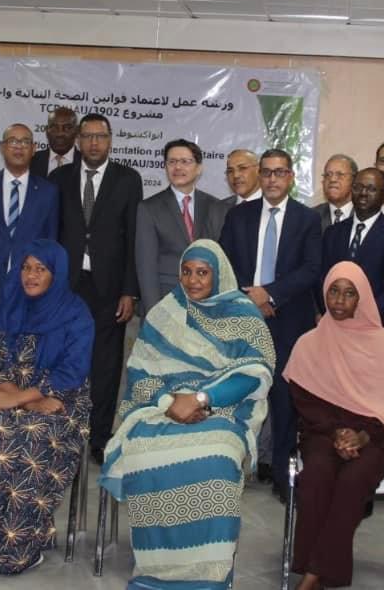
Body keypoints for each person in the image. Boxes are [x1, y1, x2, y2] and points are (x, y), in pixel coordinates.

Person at [100, 240, 273, 590]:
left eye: (202, 273)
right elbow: (140, 372)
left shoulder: (244, 314)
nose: (193, 281)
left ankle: (208, 575)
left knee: (217, 457)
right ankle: (157, 571)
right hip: (164, 407)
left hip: (222, 410)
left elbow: (255, 373)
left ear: (218, 274)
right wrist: (168, 402)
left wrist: (201, 399)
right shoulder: (165, 311)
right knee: (144, 452)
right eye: (187, 272)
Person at [0, 239, 92, 576]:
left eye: (41, 268)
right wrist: (24, 399)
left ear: (56, 273)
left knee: (30, 443)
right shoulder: (8, 305)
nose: (31, 275)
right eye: (26, 267)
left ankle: (21, 547)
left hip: (62, 403)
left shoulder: (76, 313)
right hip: (10, 396)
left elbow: (72, 372)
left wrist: (25, 399)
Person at [285, 262, 384, 590]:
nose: (339, 300)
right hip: (324, 432)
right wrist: (337, 433)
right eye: (333, 291)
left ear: (361, 298)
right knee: (316, 476)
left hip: (377, 435)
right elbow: (304, 400)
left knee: (352, 481)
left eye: (349, 294)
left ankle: (313, 574)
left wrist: (362, 436)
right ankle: (316, 569)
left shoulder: (380, 342)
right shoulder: (309, 342)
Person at [220, 148, 322, 497]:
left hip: (289, 322)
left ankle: (282, 477)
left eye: (280, 172)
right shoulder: (239, 216)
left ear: (290, 177)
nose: (272, 179)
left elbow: (311, 269)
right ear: (259, 176)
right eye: (266, 172)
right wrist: (250, 298)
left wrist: (271, 295)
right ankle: (232, 470)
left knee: (284, 402)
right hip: (243, 320)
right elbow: (224, 264)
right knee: (238, 396)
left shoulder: (308, 219)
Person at [48, 113, 142, 463]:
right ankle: (63, 435)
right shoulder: (59, 178)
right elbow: (52, 234)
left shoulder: (127, 179)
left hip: (109, 289)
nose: (93, 143)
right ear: (78, 140)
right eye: (87, 136)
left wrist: (129, 291)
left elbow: (133, 238)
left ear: (110, 140)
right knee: (65, 361)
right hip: (67, 287)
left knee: (105, 367)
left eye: (100, 136)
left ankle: (99, 437)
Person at [0, 123, 60, 409]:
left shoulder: (48, 192)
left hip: (28, 295)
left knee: (22, 368)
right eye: (12, 141)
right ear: (3, 147)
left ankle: (14, 428)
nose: (18, 147)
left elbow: (50, 248)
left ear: (34, 149)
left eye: (25, 142)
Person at [136, 139, 229, 315]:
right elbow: (146, 267)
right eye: (172, 162)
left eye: (185, 161)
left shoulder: (216, 206)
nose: (178, 167)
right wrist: (155, 313)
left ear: (199, 168)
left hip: (207, 304)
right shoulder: (148, 208)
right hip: (166, 301)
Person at [319, 168, 384, 338]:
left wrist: (356, 316)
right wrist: (335, 312)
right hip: (334, 326)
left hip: (375, 328)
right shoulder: (333, 233)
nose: (363, 193)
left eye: (372, 189)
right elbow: (322, 279)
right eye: (358, 187)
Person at [31, 106, 80, 177]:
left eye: (67, 128)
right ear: (47, 131)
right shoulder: (30, 161)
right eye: (54, 128)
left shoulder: (86, 162)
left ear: (76, 131)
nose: (60, 134)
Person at [314, 154, 356, 231]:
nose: (332, 179)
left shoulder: (365, 215)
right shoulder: (312, 216)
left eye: (340, 175)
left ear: (354, 180)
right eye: (328, 175)